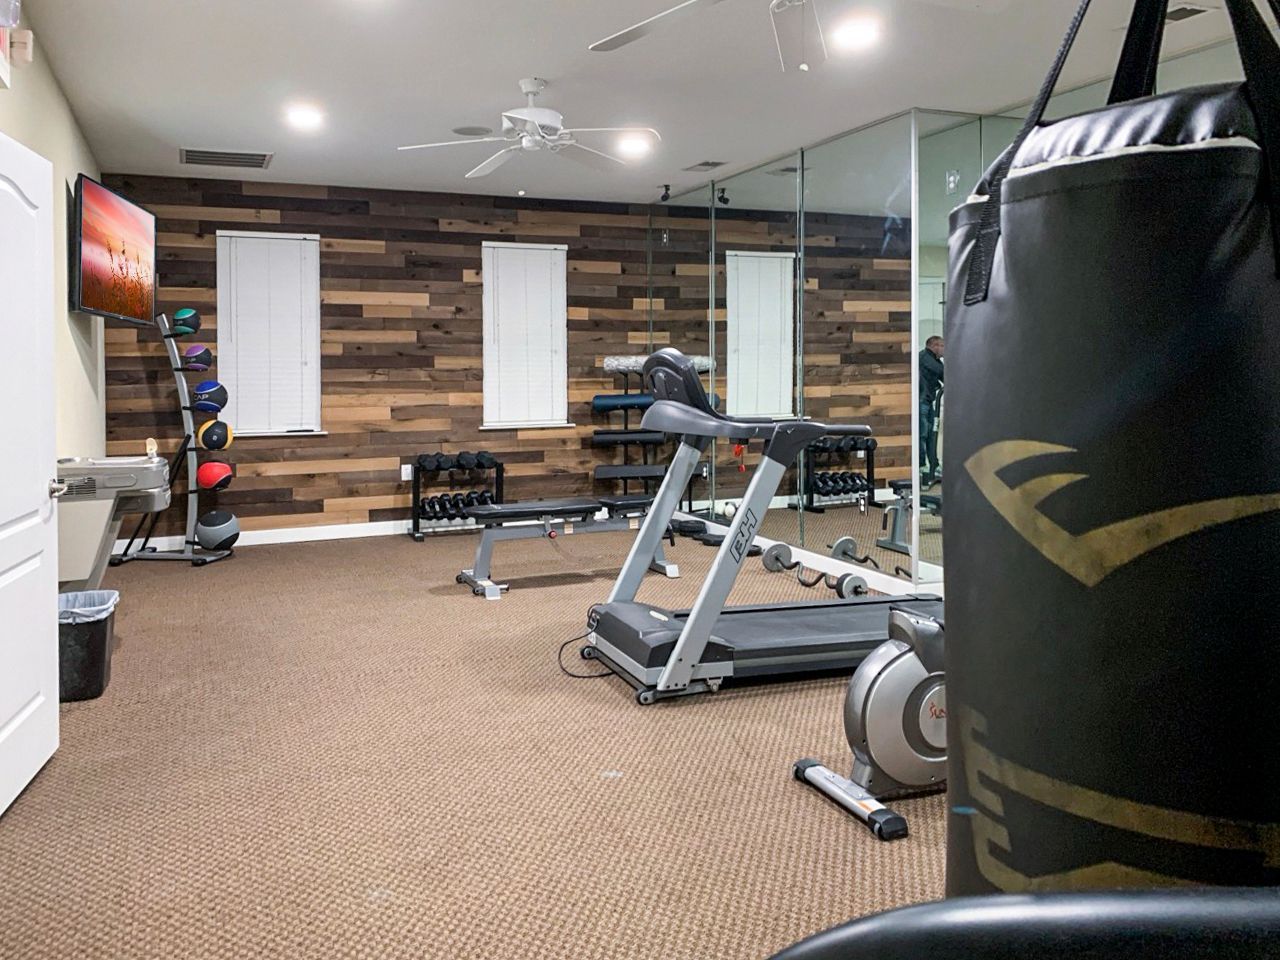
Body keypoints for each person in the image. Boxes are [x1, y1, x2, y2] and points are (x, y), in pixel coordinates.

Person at [919, 336, 944, 487]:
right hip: (922, 400)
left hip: (927, 400)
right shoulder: (925, 357)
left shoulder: (934, 360)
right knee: (922, 434)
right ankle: (922, 467)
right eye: (942, 346)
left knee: (930, 435)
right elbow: (942, 372)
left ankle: (934, 465)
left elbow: (944, 375)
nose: (944, 350)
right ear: (934, 346)